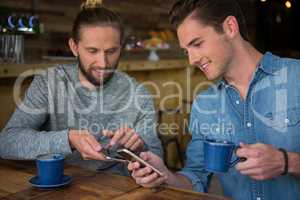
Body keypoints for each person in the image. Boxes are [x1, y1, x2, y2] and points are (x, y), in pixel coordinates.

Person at [128, 0, 300, 199]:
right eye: (187, 51)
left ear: (230, 27)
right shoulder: (204, 104)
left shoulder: (296, 77)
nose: (192, 60)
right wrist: (165, 175)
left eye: (197, 44)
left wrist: (287, 162)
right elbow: (196, 178)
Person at [0, 2, 162, 176]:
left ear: (121, 47)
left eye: (111, 51)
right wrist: (68, 139)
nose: (103, 63)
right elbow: (6, 142)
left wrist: (139, 148)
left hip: (118, 189)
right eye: (92, 51)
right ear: (74, 47)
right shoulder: (50, 83)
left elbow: (158, 163)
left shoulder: (139, 94)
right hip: (56, 186)